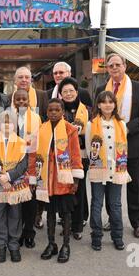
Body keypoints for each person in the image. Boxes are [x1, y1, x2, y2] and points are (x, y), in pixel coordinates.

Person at [96, 53, 139, 238]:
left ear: (125, 66)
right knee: (112, 184)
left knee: (135, 185)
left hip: (132, 145)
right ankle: (114, 220)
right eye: (110, 65)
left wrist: (126, 129)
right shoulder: (100, 89)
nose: (114, 68)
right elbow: (95, 115)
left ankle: (138, 222)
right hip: (108, 146)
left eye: (117, 65)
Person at [36, 98, 83, 263]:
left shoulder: (70, 130)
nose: (54, 113)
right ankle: (51, 243)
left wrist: (76, 180)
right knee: (49, 213)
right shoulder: (42, 129)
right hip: (47, 179)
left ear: (63, 112)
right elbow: (36, 155)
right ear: (46, 112)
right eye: (50, 110)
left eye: (57, 110)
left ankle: (65, 245)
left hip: (64, 179)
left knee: (65, 213)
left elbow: (76, 155)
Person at [86, 91, 130, 251]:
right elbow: (90, 149)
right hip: (98, 169)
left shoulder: (121, 124)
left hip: (117, 169)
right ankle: (96, 235)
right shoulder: (91, 124)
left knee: (116, 204)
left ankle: (117, 236)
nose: (107, 105)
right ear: (98, 105)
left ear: (115, 104)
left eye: (110, 102)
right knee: (96, 203)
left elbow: (124, 147)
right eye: (104, 102)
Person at [0, 111, 30, 263]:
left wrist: (9, 177)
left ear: (15, 125)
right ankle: (1, 246)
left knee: (15, 215)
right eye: (4, 123)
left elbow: (23, 165)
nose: (7, 126)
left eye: (10, 122)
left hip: (15, 184)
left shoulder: (21, 142)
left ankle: (14, 246)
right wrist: (1, 180)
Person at [58, 77, 91, 240]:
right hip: (62, 157)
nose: (68, 94)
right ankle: (65, 221)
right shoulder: (57, 111)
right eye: (65, 91)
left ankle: (77, 224)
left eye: (71, 91)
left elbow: (93, 135)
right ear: (61, 94)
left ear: (77, 92)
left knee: (78, 190)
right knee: (64, 190)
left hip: (81, 157)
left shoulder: (88, 111)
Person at [13, 88, 41, 249]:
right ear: (14, 101)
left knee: (30, 201)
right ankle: (17, 232)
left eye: (24, 99)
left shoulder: (36, 118)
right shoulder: (8, 117)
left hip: (31, 164)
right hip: (14, 163)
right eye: (18, 99)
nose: (21, 102)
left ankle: (29, 233)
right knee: (17, 201)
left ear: (29, 100)